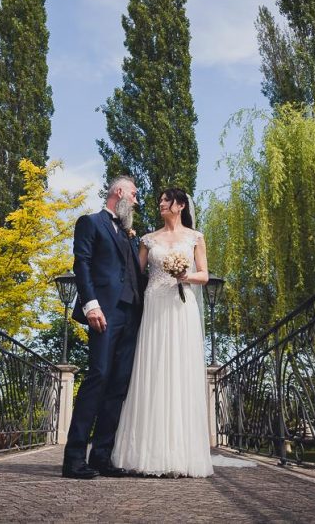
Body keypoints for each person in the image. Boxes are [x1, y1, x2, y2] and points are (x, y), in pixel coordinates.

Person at [111, 187, 214, 477]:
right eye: (160, 201)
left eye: (166, 201)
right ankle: (146, 453)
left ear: (180, 205)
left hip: (183, 310)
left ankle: (182, 456)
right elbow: (135, 272)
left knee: (180, 374)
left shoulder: (196, 238)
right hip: (155, 305)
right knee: (153, 373)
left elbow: (204, 275)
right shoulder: (148, 239)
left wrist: (186, 275)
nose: (161, 204)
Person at [62, 175, 145, 479]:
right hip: (104, 312)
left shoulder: (129, 234)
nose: (136, 200)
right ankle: (73, 459)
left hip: (132, 315)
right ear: (119, 192)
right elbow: (81, 264)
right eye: (134, 195)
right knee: (98, 376)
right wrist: (90, 304)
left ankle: (101, 456)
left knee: (118, 385)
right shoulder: (91, 222)